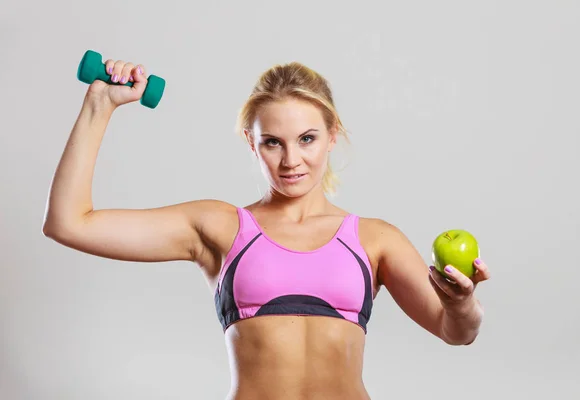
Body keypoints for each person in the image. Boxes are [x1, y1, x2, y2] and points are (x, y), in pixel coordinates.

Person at [42, 55, 491, 400]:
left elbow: (458, 332)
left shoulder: (375, 239)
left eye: (307, 139)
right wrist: (99, 105)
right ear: (250, 143)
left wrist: (462, 302)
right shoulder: (219, 227)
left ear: (333, 134)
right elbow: (69, 223)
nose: (291, 160)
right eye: (272, 142)